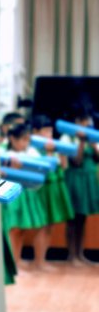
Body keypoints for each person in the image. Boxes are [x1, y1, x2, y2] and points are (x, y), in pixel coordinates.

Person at [1, 122, 49, 275]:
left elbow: (39, 171)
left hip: (26, 194)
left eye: (28, 140)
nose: (25, 143)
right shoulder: (2, 151)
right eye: (22, 139)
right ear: (12, 139)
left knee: (21, 230)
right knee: (13, 230)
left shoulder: (32, 152)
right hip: (11, 194)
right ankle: (12, 267)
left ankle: (17, 263)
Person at [31, 114, 74, 269]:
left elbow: (64, 167)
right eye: (45, 131)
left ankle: (43, 260)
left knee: (50, 226)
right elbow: (43, 169)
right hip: (43, 190)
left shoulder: (54, 146)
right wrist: (49, 153)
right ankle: (38, 261)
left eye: (50, 131)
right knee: (42, 226)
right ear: (35, 131)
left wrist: (60, 153)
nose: (49, 134)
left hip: (56, 188)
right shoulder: (33, 148)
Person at [60, 102, 99, 265]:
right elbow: (76, 161)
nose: (86, 124)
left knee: (82, 218)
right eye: (82, 120)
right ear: (75, 121)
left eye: (87, 120)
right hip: (75, 180)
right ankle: (71, 255)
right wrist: (82, 142)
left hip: (88, 180)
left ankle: (80, 253)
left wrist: (92, 143)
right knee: (72, 218)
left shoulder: (93, 137)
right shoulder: (67, 137)